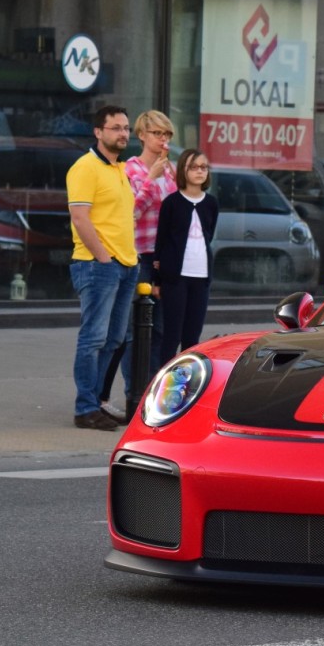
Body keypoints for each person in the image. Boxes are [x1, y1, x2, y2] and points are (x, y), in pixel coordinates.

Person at [96, 109, 177, 422]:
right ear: (142, 135)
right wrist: (151, 178)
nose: (163, 140)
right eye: (157, 134)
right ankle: (136, 396)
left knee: (158, 330)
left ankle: (154, 397)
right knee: (133, 332)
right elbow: (130, 211)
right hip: (137, 254)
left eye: (167, 135)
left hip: (161, 257)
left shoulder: (169, 173)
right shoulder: (129, 169)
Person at [67, 105, 139, 431]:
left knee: (114, 340)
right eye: (115, 128)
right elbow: (80, 218)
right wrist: (103, 257)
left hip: (126, 265)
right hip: (98, 265)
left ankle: (95, 403)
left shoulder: (120, 169)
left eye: (126, 128)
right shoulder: (85, 167)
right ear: (98, 132)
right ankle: (84, 408)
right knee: (93, 339)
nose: (123, 133)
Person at [154, 149, 219, 363]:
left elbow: (208, 235)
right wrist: (157, 280)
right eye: (194, 167)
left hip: (201, 277)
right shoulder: (172, 203)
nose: (200, 171)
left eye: (204, 167)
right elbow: (161, 242)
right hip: (175, 277)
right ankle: (163, 383)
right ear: (183, 170)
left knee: (192, 337)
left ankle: (187, 386)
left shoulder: (211, 203)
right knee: (171, 335)